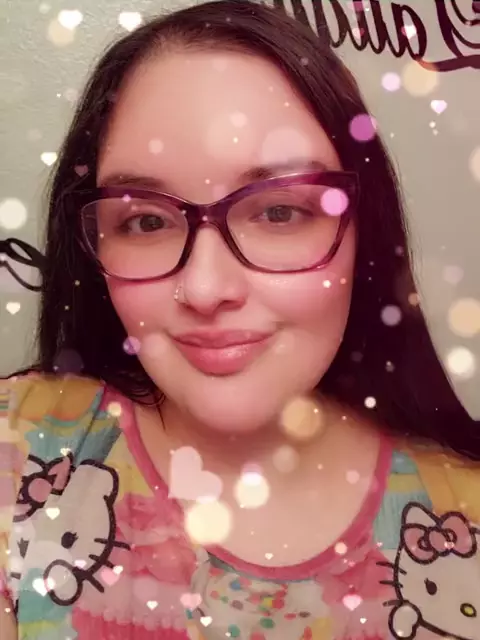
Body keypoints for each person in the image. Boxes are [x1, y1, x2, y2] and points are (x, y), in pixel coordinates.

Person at [1, 1, 480, 638]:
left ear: (366, 233)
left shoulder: (460, 522)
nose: (205, 288)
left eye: (279, 212)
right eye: (145, 220)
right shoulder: (19, 452)